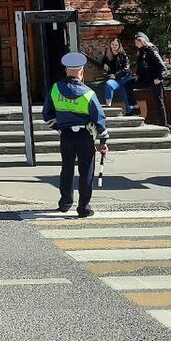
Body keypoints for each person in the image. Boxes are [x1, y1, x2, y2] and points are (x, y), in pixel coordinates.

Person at [43, 52, 109, 218]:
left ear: (66, 70)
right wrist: (103, 139)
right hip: (85, 135)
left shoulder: (55, 89)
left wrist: (58, 128)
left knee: (66, 169)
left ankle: (65, 203)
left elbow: (47, 114)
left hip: (66, 135)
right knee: (86, 170)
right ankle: (84, 208)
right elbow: (99, 118)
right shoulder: (88, 93)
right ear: (81, 72)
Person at [134, 32, 168, 127]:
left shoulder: (151, 50)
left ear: (142, 41)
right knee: (128, 85)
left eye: (137, 42)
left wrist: (159, 78)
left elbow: (161, 65)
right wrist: (137, 75)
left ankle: (163, 123)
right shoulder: (141, 51)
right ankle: (134, 108)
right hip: (145, 78)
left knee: (158, 100)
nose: (135, 44)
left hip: (154, 78)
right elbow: (141, 66)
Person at [100, 37, 139, 113]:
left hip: (125, 79)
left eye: (116, 44)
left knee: (126, 95)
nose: (114, 46)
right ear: (110, 45)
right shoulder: (107, 55)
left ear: (119, 46)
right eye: (113, 44)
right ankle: (108, 105)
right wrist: (105, 67)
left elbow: (126, 69)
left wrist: (116, 75)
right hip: (115, 81)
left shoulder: (123, 55)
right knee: (108, 85)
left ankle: (131, 112)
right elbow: (104, 66)